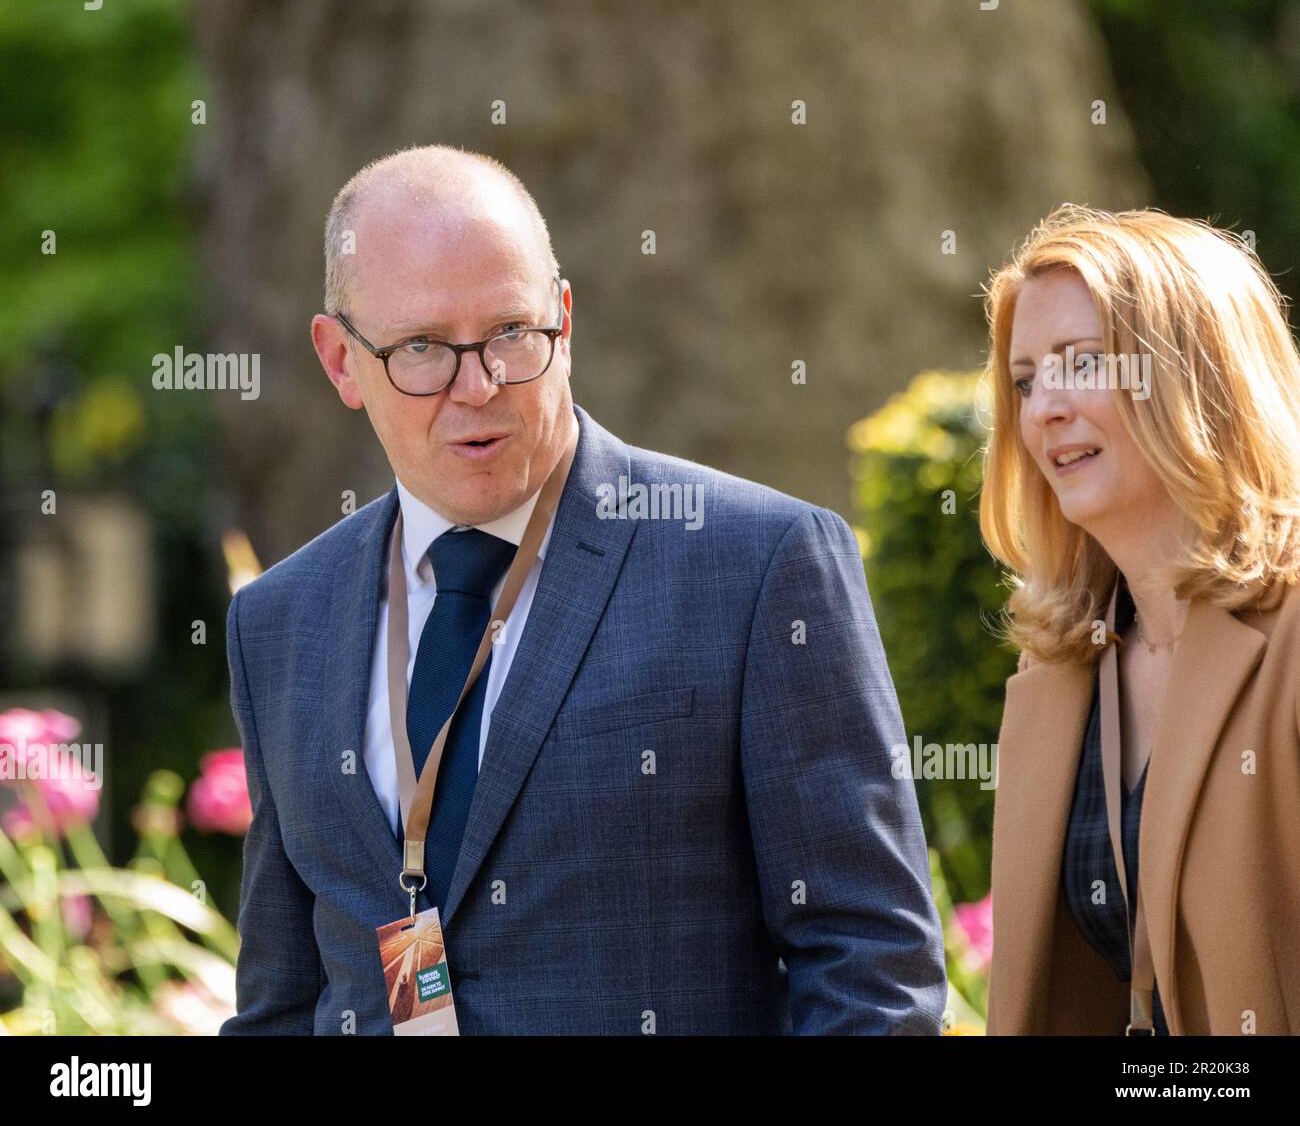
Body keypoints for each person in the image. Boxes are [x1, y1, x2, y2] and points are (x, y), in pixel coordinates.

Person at [219, 144, 946, 1035]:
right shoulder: (279, 621)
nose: (477, 386)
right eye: (421, 349)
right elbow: (282, 1005)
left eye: (510, 334)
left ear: (564, 317)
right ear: (339, 360)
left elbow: (873, 973)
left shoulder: (759, 565)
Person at [979, 204, 1300, 1034]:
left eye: (1081, 364)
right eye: (1024, 380)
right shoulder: (1055, 672)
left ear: (1197, 377)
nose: (1042, 408)